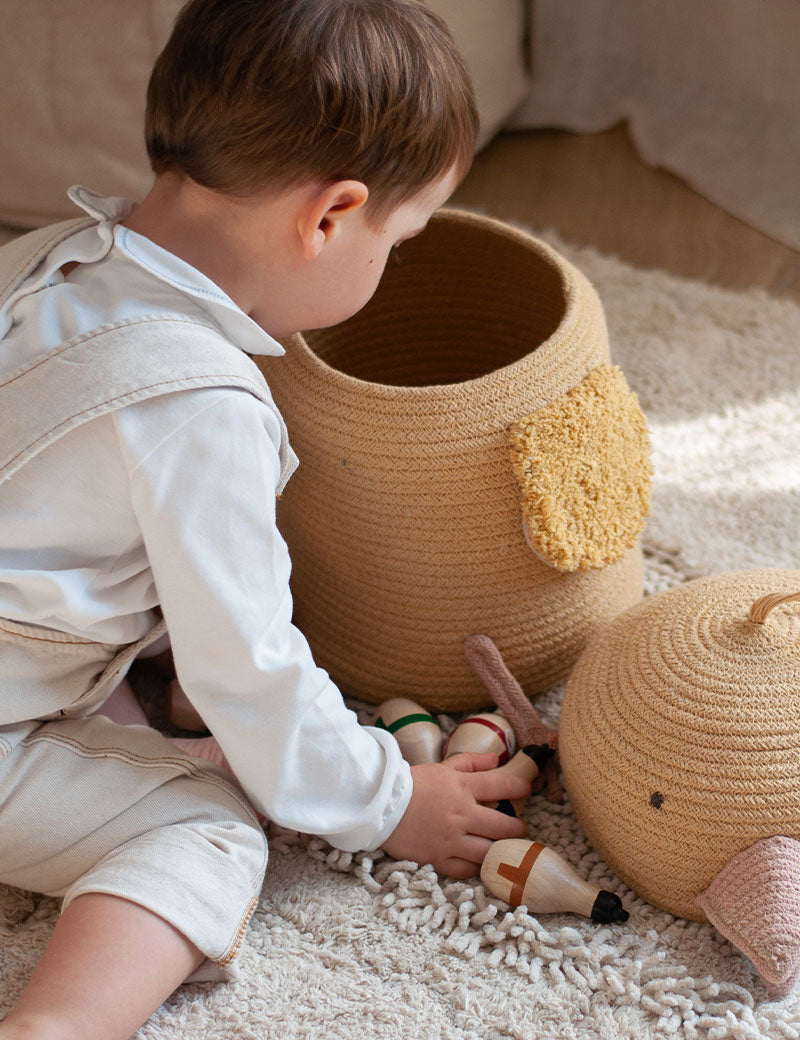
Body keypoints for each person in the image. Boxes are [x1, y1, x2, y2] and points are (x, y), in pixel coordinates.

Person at [0, 2, 530, 1037]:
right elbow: (247, 666)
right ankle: (57, 1022)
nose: (392, 266)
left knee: (131, 708)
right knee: (206, 817)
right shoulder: (202, 404)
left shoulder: (43, 259)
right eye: (401, 236)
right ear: (330, 216)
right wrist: (386, 800)